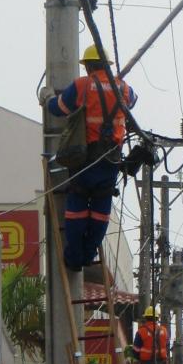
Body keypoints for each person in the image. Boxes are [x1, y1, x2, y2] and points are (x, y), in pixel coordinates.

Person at [45, 44, 137, 271]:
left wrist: (47, 98)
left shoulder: (82, 86)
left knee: (77, 203)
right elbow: (134, 100)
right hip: (111, 160)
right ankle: (87, 255)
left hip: (85, 158)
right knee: (100, 210)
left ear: (88, 66)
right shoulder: (123, 88)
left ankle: (74, 258)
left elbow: (58, 109)